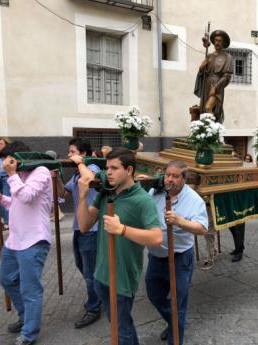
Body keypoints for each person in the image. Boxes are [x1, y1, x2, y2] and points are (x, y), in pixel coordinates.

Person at [76, 147, 162, 345]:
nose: (109, 173)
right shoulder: (106, 193)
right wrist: (82, 197)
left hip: (122, 278)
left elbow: (156, 238)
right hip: (101, 274)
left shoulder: (142, 200)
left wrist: (122, 229)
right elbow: (83, 225)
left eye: (114, 168)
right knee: (118, 324)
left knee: (121, 328)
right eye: (107, 168)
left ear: (129, 170)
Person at [0, 141, 53, 345]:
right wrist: (2, 200)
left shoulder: (41, 171)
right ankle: (26, 317)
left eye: (8, 160)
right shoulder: (20, 175)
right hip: (15, 240)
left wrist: (11, 175)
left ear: (17, 158)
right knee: (7, 279)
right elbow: (18, 202)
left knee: (30, 290)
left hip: (34, 240)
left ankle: (29, 333)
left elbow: (26, 196)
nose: (4, 164)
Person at [146, 160, 208, 344]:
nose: (169, 179)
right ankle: (175, 322)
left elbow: (202, 228)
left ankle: (176, 336)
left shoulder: (194, 199)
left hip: (180, 258)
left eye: (175, 176)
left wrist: (180, 221)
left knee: (177, 302)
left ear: (184, 178)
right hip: (156, 257)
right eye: (167, 175)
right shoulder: (155, 192)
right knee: (154, 295)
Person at [57, 138, 102, 329]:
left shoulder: (93, 167)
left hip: (92, 229)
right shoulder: (76, 173)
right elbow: (62, 194)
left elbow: (90, 179)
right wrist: (56, 177)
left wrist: (81, 162)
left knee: (90, 273)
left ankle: (94, 307)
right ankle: (100, 294)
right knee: (81, 265)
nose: (69, 155)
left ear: (83, 153)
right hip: (79, 227)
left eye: (72, 151)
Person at [195, 30, 233, 123]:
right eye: (215, 40)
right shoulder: (209, 56)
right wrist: (201, 68)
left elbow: (227, 76)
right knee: (204, 110)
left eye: (219, 41)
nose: (217, 43)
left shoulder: (227, 57)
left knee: (209, 107)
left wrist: (215, 88)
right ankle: (206, 128)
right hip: (207, 84)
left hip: (217, 85)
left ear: (223, 43)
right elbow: (203, 74)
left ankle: (212, 129)